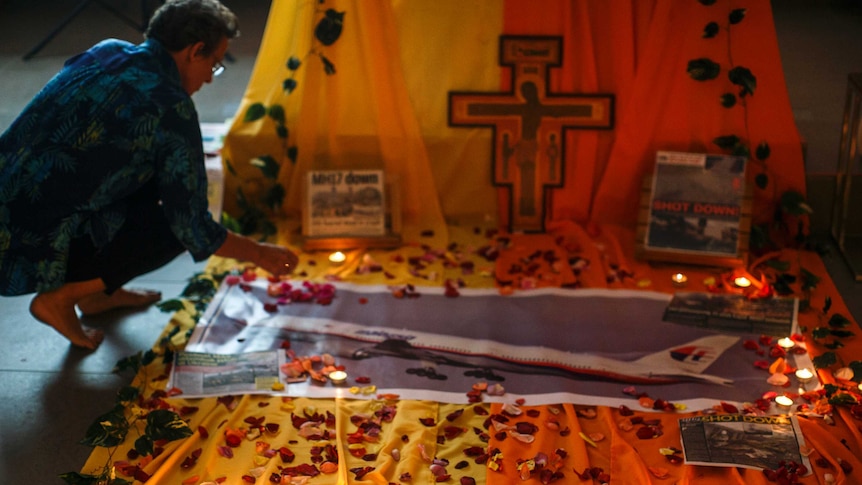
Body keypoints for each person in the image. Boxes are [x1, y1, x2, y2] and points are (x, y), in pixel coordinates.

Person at [0, 0, 299, 350]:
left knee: (154, 182)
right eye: (214, 65)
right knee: (174, 228)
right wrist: (260, 253)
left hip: (12, 199)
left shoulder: (107, 51)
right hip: (33, 237)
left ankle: (96, 295)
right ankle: (62, 297)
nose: (208, 78)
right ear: (194, 51)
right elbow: (192, 225)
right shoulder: (171, 107)